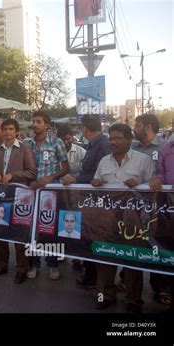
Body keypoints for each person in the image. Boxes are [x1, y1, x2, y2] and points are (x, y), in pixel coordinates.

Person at [91, 123, 154, 313]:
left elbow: (154, 188)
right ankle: (105, 296)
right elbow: (94, 184)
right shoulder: (104, 161)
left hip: (133, 221)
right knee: (104, 258)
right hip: (107, 219)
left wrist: (141, 184)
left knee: (133, 260)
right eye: (111, 138)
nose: (113, 142)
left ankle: (134, 301)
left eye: (118, 138)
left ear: (129, 140)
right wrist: (96, 182)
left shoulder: (143, 160)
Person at [62, 114, 110, 288]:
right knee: (87, 237)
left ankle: (96, 279)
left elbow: (100, 174)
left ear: (85, 128)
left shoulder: (102, 145)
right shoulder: (93, 145)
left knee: (94, 238)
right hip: (88, 201)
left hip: (97, 202)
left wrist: (76, 179)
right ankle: (90, 274)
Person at [0, 118, 36, 283]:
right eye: (5, 129)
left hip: (20, 196)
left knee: (19, 233)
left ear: (16, 132)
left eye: (11, 129)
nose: (8, 132)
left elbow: (31, 172)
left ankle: (21, 268)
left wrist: (13, 175)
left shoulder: (25, 148)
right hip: (0, 195)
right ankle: (1, 264)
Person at [24, 111, 69, 280]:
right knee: (31, 230)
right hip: (31, 193)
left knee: (50, 229)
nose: (35, 124)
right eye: (33, 121)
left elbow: (65, 167)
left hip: (51, 193)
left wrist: (49, 178)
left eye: (39, 122)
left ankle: (53, 265)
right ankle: (33, 264)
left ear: (47, 125)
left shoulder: (57, 143)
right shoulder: (27, 144)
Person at [131, 113, 169, 305]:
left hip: (160, 207)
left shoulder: (165, 146)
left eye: (137, 125)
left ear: (147, 127)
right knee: (134, 242)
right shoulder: (132, 147)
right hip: (133, 205)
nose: (134, 128)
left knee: (158, 244)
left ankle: (160, 286)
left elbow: (164, 174)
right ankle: (128, 284)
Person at [149, 139, 174, 311]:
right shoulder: (166, 147)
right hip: (167, 207)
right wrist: (157, 179)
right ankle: (162, 288)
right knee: (163, 246)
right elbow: (161, 172)